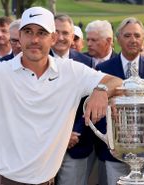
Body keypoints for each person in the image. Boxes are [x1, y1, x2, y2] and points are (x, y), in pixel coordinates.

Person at [0, 7, 122, 185]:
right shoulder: (1, 71)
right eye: (28, 32)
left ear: (52, 38)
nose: (34, 39)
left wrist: (101, 90)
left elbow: (115, 81)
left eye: (41, 33)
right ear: (19, 37)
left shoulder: (72, 71)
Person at [96, 17, 144, 185]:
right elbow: (99, 108)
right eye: (127, 35)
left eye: (137, 35)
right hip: (114, 152)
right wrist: (111, 141)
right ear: (118, 39)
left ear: (143, 38)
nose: (133, 40)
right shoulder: (103, 69)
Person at [48, 14, 93, 185]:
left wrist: (74, 133)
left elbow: (88, 102)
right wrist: (57, 136)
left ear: (73, 36)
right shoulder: (37, 61)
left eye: (65, 33)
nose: (60, 37)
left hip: (76, 143)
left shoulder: (86, 62)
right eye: (56, 32)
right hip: (44, 146)